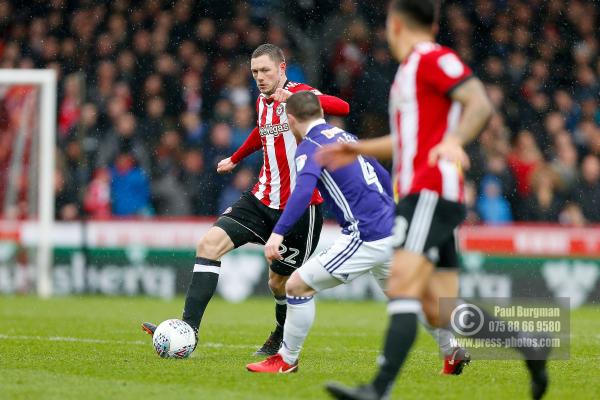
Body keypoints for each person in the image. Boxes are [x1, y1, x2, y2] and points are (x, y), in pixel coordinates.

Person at [318, 2, 549, 400]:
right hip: (425, 192)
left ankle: (379, 388)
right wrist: (357, 149)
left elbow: (479, 101)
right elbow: (408, 139)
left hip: (429, 190)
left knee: (403, 282)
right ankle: (530, 345)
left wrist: (455, 141)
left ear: (394, 25)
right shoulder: (409, 72)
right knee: (439, 308)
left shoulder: (430, 58)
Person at [142, 43, 350, 357]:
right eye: (255, 72)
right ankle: (188, 330)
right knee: (209, 245)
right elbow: (262, 131)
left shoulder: (299, 93)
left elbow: (343, 107)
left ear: (281, 68)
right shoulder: (262, 101)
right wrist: (236, 158)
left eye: (265, 70)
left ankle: (281, 336)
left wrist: (297, 99)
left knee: (279, 284)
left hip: (299, 209)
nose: (260, 77)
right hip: (261, 198)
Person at [245, 91, 469, 375]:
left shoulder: (310, 145)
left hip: (365, 236)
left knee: (296, 285)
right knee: (411, 298)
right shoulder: (344, 136)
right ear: (321, 113)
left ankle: (286, 360)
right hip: (391, 230)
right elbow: (382, 173)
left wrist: (278, 233)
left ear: (290, 120)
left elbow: (303, 191)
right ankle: (452, 351)